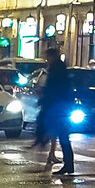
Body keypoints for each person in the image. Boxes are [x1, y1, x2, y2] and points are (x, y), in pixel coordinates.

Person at [37, 49, 76, 178]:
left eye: (47, 56)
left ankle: (68, 164)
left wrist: (45, 99)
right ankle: (67, 164)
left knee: (63, 135)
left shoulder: (56, 69)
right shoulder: (59, 68)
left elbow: (54, 88)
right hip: (61, 106)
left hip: (59, 106)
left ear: (52, 56)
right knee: (63, 135)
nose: (46, 59)